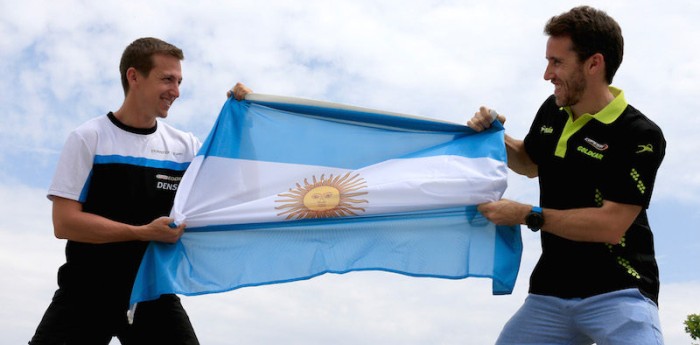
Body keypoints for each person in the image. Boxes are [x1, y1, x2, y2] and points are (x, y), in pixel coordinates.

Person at [30, 37, 250, 344]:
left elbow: (234, 189)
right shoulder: (89, 138)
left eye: (179, 81)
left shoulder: (185, 148)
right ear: (134, 76)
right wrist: (142, 232)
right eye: (167, 79)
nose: (176, 91)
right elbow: (64, 223)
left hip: (153, 293)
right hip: (85, 293)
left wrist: (244, 118)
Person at [467, 6, 666, 345]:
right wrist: (493, 137)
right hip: (550, 293)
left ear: (594, 64)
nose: (547, 74)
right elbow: (530, 163)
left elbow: (610, 224)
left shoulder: (639, 134)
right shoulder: (553, 110)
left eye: (557, 62)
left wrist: (526, 215)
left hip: (620, 291)